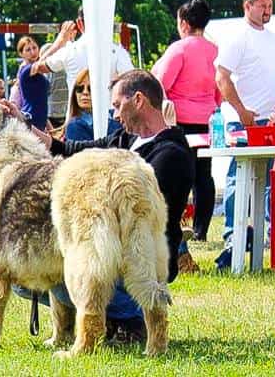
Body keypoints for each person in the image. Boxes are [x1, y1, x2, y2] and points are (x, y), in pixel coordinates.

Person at [22, 69, 194, 342]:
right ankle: (113, 318)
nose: (114, 114)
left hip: (137, 259)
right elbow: (71, 149)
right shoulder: (125, 139)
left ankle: (132, 317)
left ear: (138, 100)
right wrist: (24, 124)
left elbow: (139, 219)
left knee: (55, 269)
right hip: (109, 247)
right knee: (26, 271)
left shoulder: (172, 155)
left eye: (117, 105)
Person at [214, 0, 275, 253]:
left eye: (270, 6)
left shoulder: (274, 39)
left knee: (271, 178)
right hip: (244, 120)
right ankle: (232, 233)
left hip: (272, 121)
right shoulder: (237, 37)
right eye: (263, 6)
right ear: (247, 6)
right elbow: (221, 77)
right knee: (239, 176)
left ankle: (270, 231)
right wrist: (242, 110)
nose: (268, 11)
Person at [151, 0, 219, 241]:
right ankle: (201, 229)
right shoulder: (214, 50)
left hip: (179, 121)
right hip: (207, 121)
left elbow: (160, 84)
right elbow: (218, 89)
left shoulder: (178, 49)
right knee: (204, 175)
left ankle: (175, 226)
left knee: (180, 174)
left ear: (183, 23)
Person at [32, 7, 135, 94]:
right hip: (108, 111)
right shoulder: (118, 52)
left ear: (79, 23)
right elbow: (133, 83)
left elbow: (36, 68)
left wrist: (60, 41)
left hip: (76, 110)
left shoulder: (69, 51)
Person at [64, 69, 121, 141]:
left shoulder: (116, 114)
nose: (85, 92)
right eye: (79, 88)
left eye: (91, 88)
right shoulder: (74, 126)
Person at [13, 36, 50, 129]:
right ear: (21, 54)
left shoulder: (37, 71)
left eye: (34, 47)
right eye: (28, 50)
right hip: (30, 119)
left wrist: (50, 127)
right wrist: (61, 40)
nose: (33, 52)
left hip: (40, 120)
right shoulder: (26, 70)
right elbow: (44, 60)